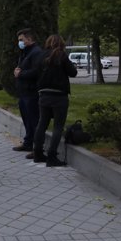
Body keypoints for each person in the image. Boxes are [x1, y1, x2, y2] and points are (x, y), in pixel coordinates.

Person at [32, 34, 78, 167]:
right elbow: (73, 72)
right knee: (58, 126)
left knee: (42, 123)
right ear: (61, 44)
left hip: (43, 94)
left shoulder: (41, 55)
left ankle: (38, 153)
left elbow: (36, 72)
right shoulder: (62, 55)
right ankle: (52, 156)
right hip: (59, 96)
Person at [13, 28, 43, 158]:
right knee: (27, 119)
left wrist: (21, 74)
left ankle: (37, 148)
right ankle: (28, 142)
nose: (19, 42)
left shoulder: (36, 53)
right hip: (24, 92)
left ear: (29, 39)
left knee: (34, 120)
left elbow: (37, 71)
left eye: (21, 40)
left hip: (31, 92)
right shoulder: (25, 52)